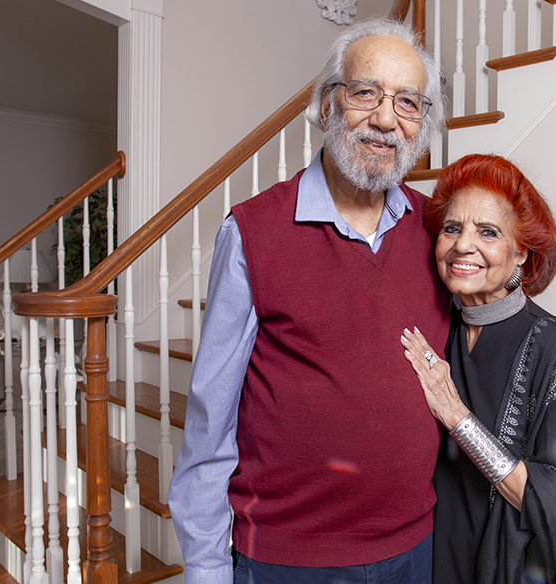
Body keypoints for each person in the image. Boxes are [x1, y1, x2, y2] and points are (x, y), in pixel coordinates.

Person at [169, 17, 451, 584]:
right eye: (366, 92)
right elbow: (210, 421)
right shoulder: (253, 232)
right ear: (327, 105)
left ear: (421, 127)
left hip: (416, 550)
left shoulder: (438, 231)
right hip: (288, 562)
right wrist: (205, 568)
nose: (385, 119)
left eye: (407, 103)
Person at [399, 154, 556, 584]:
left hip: (510, 568)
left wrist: (457, 417)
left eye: (488, 232)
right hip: (439, 553)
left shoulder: (554, 346)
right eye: (452, 228)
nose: (463, 245)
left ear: (520, 252)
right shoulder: (441, 326)